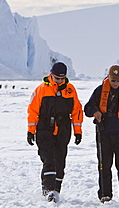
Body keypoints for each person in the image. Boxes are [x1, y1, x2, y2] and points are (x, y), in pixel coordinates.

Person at [27, 62, 83, 203]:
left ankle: (56, 190)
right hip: (45, 127)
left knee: (60, 161)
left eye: (62, 78)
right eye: (57, 78)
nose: (59, 81)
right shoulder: (41, 89)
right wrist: (30, 131)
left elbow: (76, 111)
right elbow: (33, 111)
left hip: (63, 128)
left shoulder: (70, 90)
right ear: (51, 75)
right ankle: (48, 191)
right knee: (49, 160)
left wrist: (78, 131)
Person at [84, 65, 119, 205]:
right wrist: (95, 111)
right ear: (108, 78)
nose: (115, 83)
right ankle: (105, 194)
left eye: (117, 80)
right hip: (104, 134)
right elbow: (87, 108)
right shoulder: (99, 90)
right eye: (113, 80)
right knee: (104, 165)